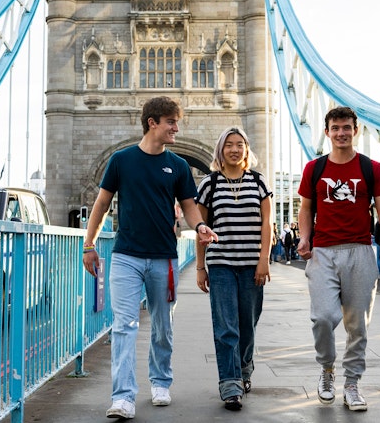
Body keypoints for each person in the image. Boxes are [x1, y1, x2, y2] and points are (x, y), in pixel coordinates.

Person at [82, 96, 218, 419]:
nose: (177, 127)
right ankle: (123, 396)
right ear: (152, 123)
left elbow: (188, 206)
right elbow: (101, 205)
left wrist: (199, 225)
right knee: (124, 325)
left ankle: (160, 381)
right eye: (171, 121)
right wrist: (89, 245)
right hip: (126, 256)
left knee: (161, 326)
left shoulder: (179, 166)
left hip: (164, 258)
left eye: (177, 121)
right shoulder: (120, 161)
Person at [295, 106, 380, 412]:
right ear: (327, 132)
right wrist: (304, 238)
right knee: (323, 318)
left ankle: (352, 384)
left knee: (357, 326)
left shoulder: (371, 168)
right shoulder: (313, 169)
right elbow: (306, 209)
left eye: (346, 127)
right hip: (323, 252)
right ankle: (327, 370)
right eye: (335, 127)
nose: (341, 132)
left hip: (359, 251)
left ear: (356, 131)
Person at [192, 127, 273, 411]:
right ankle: (230, 385)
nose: (235, 149)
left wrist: (264, 259)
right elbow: (201, 230)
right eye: (229, 145)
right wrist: (200, 267)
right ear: (220, 150)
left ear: (247, 150)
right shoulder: (209, 184)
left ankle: (245, 366)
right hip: (221, 264)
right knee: (226, 328)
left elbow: (267, 224)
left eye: (240, 145)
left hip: (252, 265)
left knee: (247, 326)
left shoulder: (258, 182)